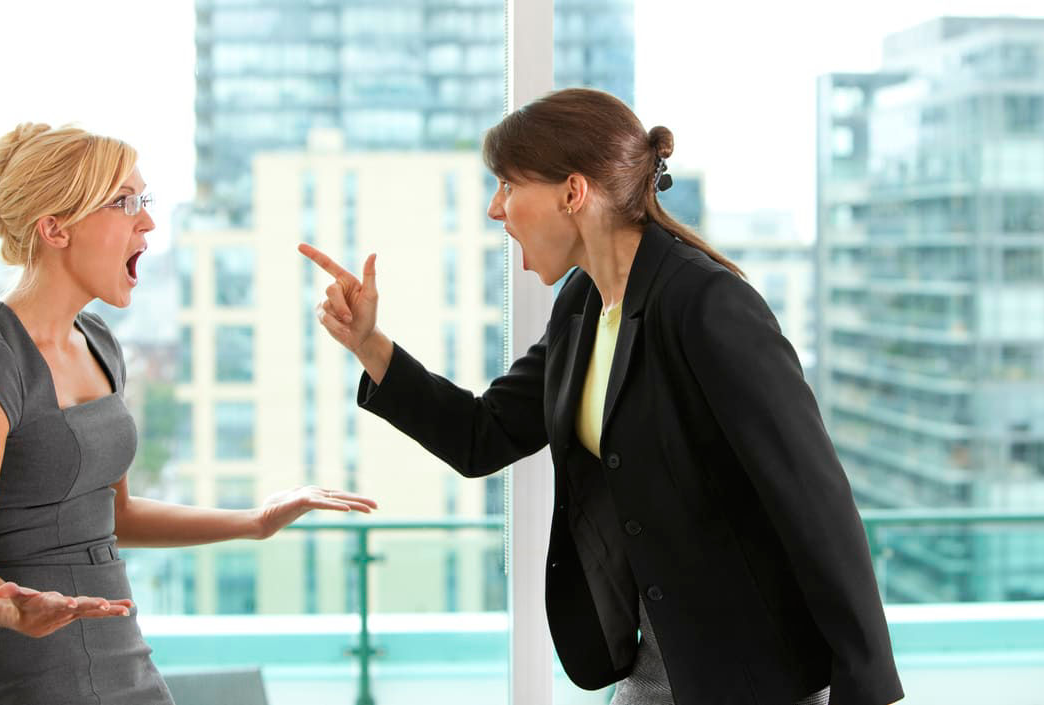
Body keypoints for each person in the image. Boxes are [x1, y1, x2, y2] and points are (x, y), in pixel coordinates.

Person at [300, 87, 903, 705]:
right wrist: (370, 345)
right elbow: (483, 435)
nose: (494, 208)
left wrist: (866, 691)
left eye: (508, 185)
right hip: (656, 662)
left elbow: (815, 501)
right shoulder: (583, 307)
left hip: (753, 673)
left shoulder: (705, 304)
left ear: (572, 192)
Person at [0, 123, 378, 705]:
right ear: (54, 227)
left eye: (145, 201)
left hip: (123, 656)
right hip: (28, 671)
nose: (147, 222)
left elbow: (118, 515)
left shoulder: (98, 341)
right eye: (124, 203)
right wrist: (9, 608)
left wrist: (255, 520)